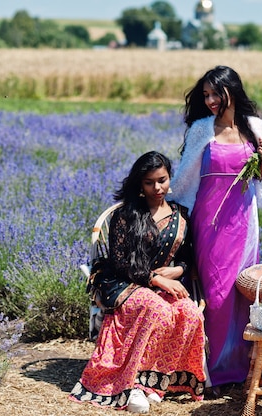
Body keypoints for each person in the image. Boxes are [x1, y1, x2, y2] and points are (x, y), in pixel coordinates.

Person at [69, 151, 206, 413]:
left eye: (162, 180)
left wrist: (177, 272)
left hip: (160, 285)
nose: (158, 188)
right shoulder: (127, 214)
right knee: (157, 308)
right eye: (149, 182)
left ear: (170, 177)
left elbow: (187, 259)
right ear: (139, 184)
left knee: (189, 313)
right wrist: (155, 278)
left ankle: (156, 381)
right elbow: (120, 263)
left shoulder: (181, 216)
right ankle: (132, 384)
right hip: (122, 283)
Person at [170, 65, 262, 392]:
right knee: (215, 296)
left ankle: (242, 369)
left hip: (243, 220)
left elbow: (260, 180)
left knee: (242, 292)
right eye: (205, 95)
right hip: (210, 220)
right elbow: (186, 178)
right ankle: (211, 371)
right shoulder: (202, 129)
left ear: (233, 91)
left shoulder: (256, 127)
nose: (211, 100)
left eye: (216, 93)